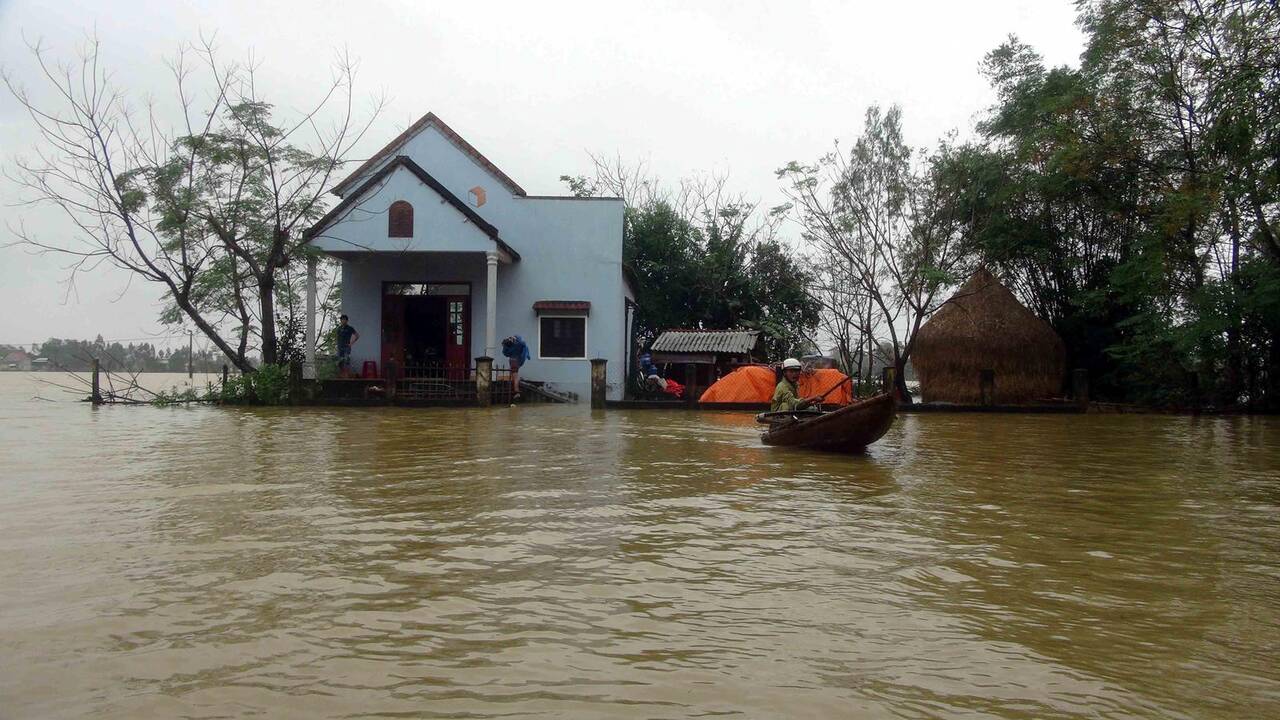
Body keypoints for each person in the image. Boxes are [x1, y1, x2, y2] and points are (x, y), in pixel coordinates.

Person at [501, 335, 530, 400]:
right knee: (514, 376)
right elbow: (523, 344)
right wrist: (513, 340)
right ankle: (514, 391)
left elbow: (505, 353)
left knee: (515, 376)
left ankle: (517, 392)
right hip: (516, 361)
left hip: (513, 361)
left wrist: (511, 340)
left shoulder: (515, 345)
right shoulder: (518, 345)